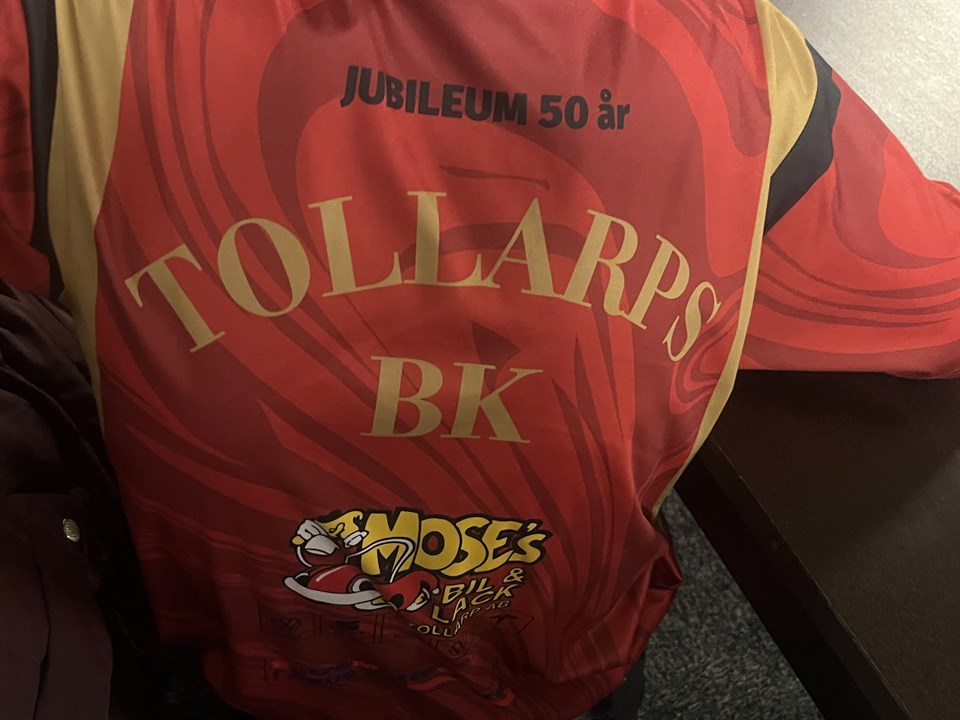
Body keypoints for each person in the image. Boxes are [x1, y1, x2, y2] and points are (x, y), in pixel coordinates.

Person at [1, 1, 957, 719]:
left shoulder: (64, 33)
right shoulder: (738, 68)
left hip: (221, 654)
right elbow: (930, 292)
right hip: (556, 672)